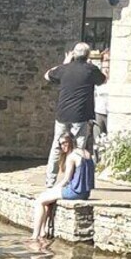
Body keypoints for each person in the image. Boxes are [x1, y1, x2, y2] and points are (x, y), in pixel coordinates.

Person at [43, 42, 106, 187]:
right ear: (88, 55)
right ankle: (72, 180)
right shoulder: (91, 69)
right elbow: (103, 80)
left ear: (73, 54)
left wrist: (65, 62)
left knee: (57, 146)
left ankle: (50, 181)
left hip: (63, 114)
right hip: (80, 115)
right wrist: (91, 66)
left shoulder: (64, 69)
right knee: (78, 148)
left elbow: (47, 75)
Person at [30, 133, 95, 244]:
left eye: (65, 143)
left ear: (71, 141)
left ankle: (34, 236)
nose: (63, 146)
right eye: (61, 144)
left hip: (74, 192)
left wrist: (53, 189)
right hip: (85, 193)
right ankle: (42, 232)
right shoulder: (87, 153)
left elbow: (66, 180)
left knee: (39, 201)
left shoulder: (72, 156)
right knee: (46, 201)